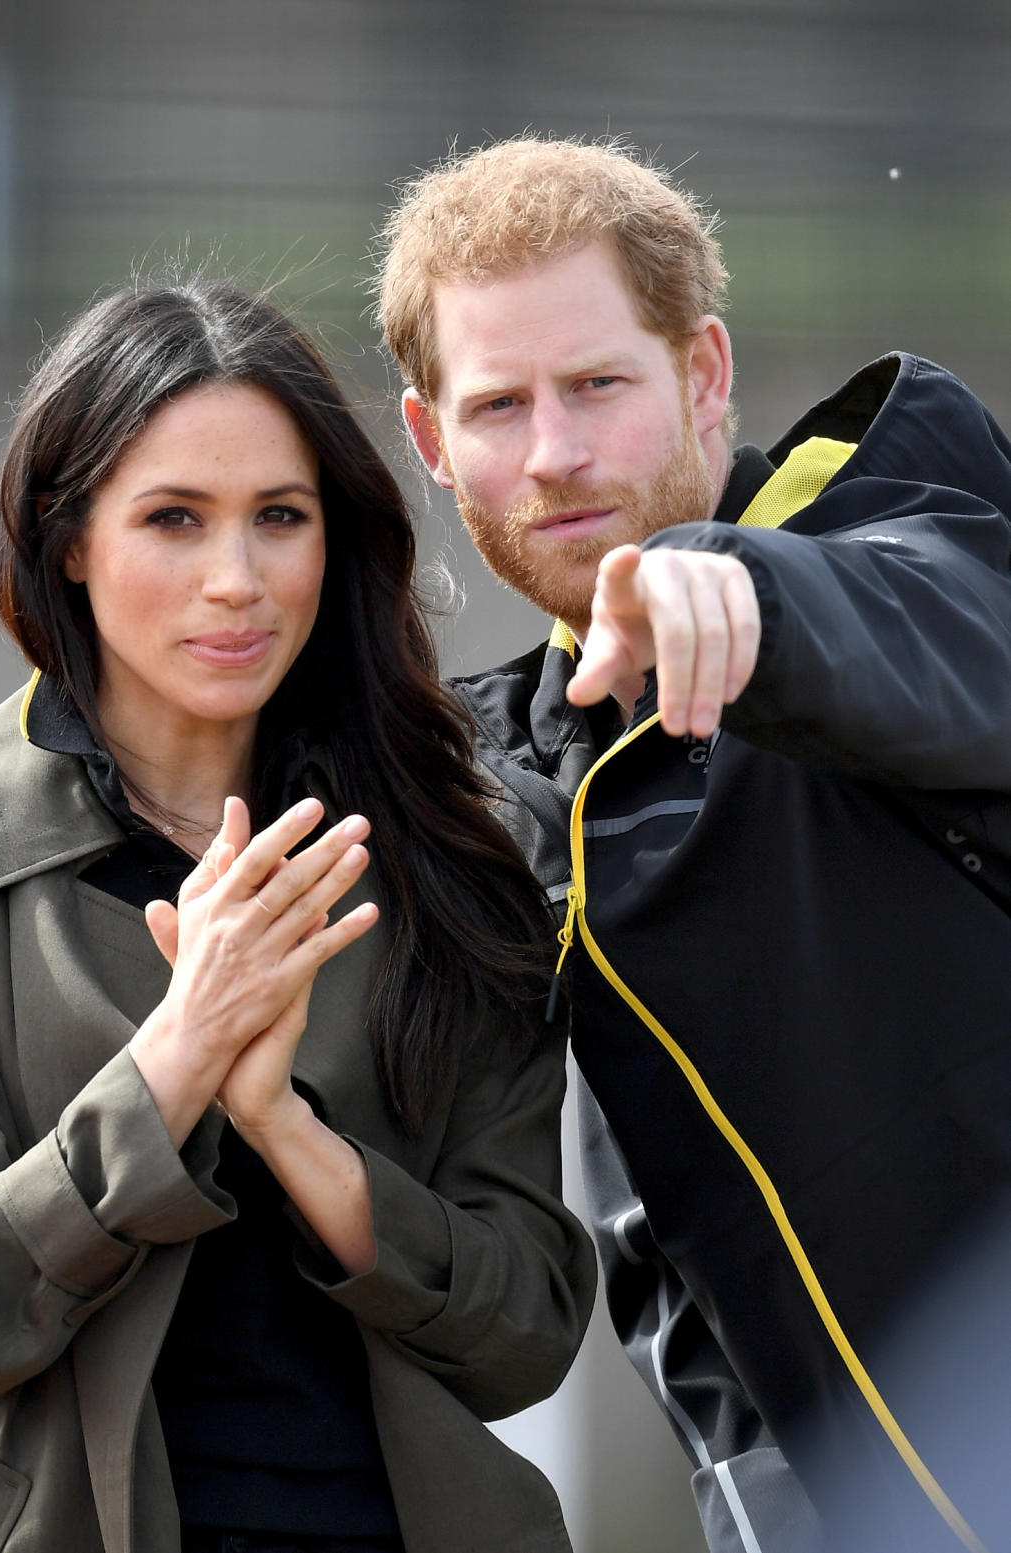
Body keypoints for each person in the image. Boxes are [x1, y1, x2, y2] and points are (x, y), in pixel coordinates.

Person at [0, 275, 597, 1553]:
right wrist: (180, 1056)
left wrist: (284, 1125)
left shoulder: (469, 847)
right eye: (174, 518)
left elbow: (527, 1329)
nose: (237, 578)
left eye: (280, 516)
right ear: (68, 537)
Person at [373, 135, 1011, 1553]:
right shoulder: (501, 788)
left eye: (598, 384)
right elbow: (666, 1271)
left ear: (703, 373)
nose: (552, 452)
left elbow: (952, 640)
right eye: (498, 405)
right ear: (429, 442)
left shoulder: (930, 541)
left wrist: (739, 589)